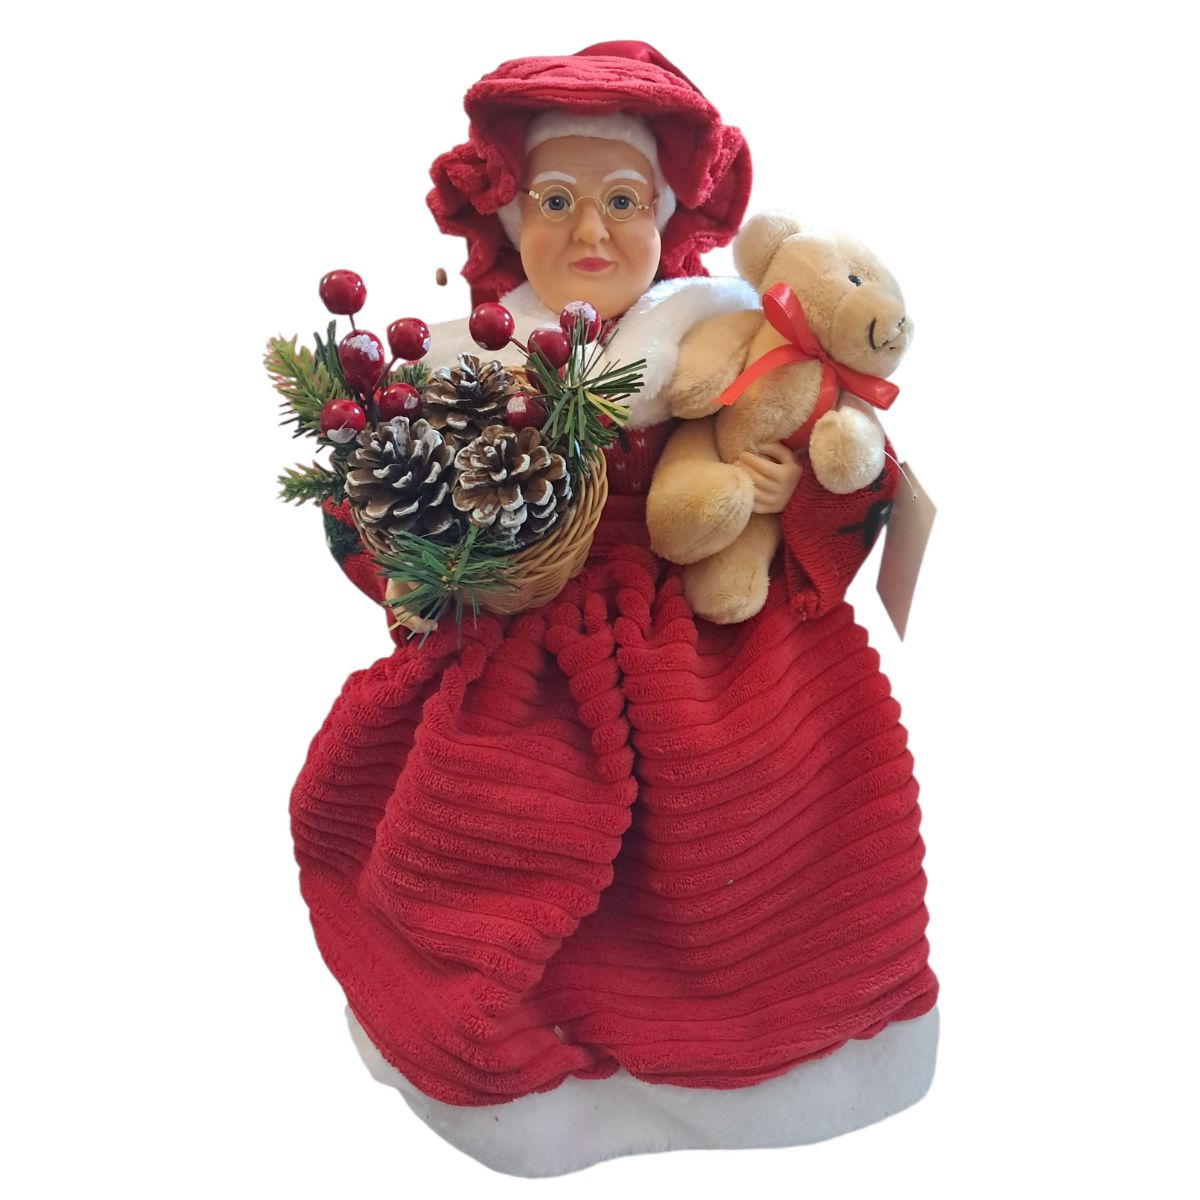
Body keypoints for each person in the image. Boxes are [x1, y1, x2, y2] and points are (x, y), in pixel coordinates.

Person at [293, 42, 938, 1177]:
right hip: (520, 623)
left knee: (761, 791)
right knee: (495, 811)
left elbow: (839, 471)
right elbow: (378, 517)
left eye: (624, 201)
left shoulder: (720, 342)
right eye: (557, 200)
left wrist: (782, 485)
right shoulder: (464, 364)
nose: (591, 229)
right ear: (511, 217)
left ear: (667, 214)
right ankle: (517, 1058)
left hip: (710, 622)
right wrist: (432, 569)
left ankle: (768, 1057)